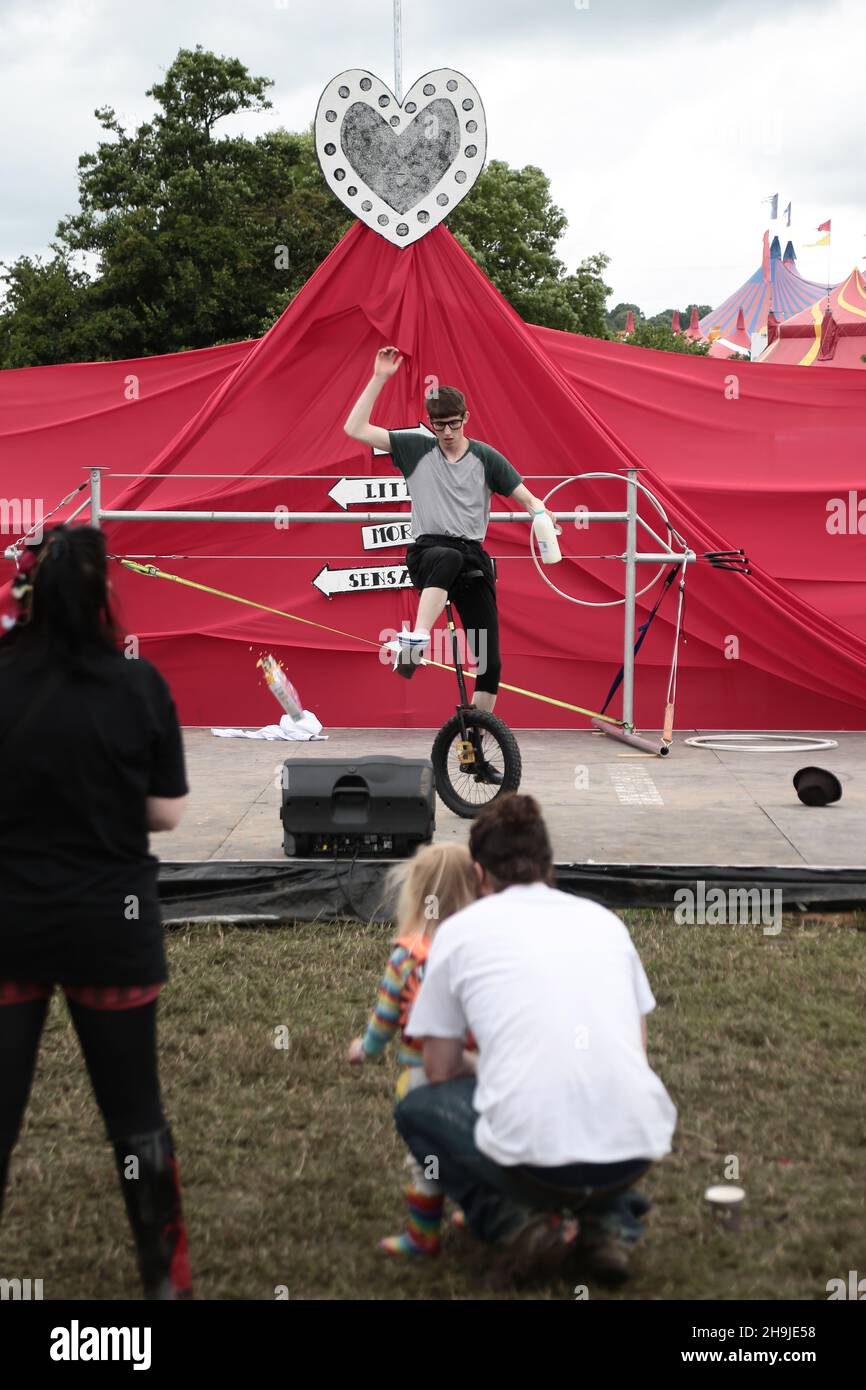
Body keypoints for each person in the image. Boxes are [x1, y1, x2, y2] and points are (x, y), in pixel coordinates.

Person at [0, 525, 192, 1300]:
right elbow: (168, 812)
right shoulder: (139, 687)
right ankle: (165, 1280)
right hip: (110, 930)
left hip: (8, 923)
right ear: (104, 596)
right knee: (135, 1114)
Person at [395, 793, 677, 1283]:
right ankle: (606, 1224)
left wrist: (489, 1065)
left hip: (533, 1161)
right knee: (586, 1123)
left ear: (479, 874)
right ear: (549, 865)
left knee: (416, 1105)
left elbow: (438, 1068)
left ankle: (518, 1224)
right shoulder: (605, 923)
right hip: (635, 1149)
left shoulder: (459, 934)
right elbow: (637, 1045)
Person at [343, 347, 559, 733]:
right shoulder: (415, 448)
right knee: (447, 557)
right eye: (439, 424)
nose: (446, 432)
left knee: (491, 663)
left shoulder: (486, 458)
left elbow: (526, 498)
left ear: (466, 419)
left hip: (472, 559)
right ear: (430, 423)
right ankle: (417, 639)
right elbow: (355, 429)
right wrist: (379, 377)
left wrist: (542, 514)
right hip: (429, 553)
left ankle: (474, 743)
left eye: (453, 424)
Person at [347, 842, 478, 1257]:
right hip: (474, 1071)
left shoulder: (408, 956)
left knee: (427, 1160)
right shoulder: (478, 951)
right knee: (473, 1145)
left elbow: (386, 1016)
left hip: (420, 1075)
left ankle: (424, 1235)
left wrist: (364, 1048)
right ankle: (478, 1214)